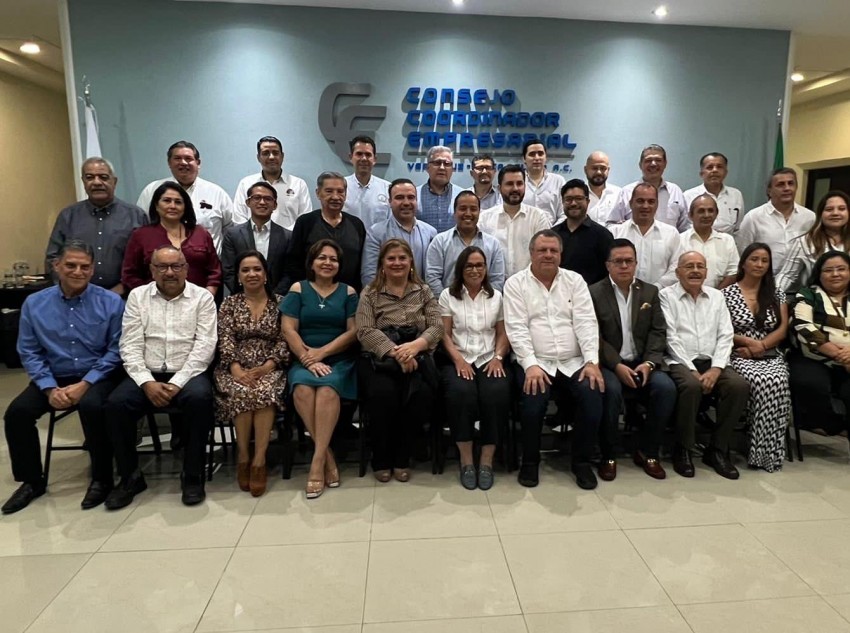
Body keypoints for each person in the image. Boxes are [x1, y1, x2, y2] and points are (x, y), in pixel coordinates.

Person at [2, 241, 124, 514]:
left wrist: (86, 383)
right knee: (17, 413)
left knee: (93, 405)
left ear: (92, 270)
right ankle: (31, 481)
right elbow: (29, 351)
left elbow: (116, 350)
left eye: (84, 267)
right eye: (71, 265)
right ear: (56, 266)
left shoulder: (111, 302)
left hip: (98, 375)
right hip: (54, 376)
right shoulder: (34, 304)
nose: (78, 272)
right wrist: (48, 388)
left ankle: (102, 478)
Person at [105, 245, 217, 509]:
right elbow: (129, 345)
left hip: (189, 371)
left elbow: (205, 346)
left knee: (200, 399)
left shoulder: (202, 298)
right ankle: (130, 477)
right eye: (162, 267)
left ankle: (192, 475)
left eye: (176, 266)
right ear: (152, 270)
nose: (170, 272)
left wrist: (177, 383)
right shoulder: (137, 297)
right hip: (147, 372)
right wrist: (146, 382)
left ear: (186, 269)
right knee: (116, 404)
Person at [503, 230, 605, 490]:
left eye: (553, 251)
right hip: (535, 361)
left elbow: (586, 322)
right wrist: (530, 365)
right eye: (542, 250)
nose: (548, 255)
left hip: (574, 361)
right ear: (531, 253)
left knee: (592, 394)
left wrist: (591, 362)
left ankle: (581, 462)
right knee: (533, 401)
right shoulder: (515, 284)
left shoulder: (575, 281)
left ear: (561, 254)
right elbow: (517, 328)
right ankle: (530, 462)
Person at [356, 239, 443, 482]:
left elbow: (437, 327)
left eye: (402, 258)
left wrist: (414, 347)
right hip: (380, 358)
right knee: (383, 395)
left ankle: (403, 455)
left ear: (410, 262)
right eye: (391, 258)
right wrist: (397, 352)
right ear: (382, 263)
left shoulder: (423, 291)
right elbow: (364, 330)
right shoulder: (370, 293)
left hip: (417, 354)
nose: (397, 263)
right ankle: (381, 457)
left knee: (421, 395)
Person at [660, 251, 750, 479]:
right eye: (689, 266)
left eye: (700, 266)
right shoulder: (666, 296)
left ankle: (718, 449)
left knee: (738, 386)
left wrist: (717, 368)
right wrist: (691, 369)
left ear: (707, 272)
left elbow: (726, 335)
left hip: (712, 361)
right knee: (691, 386)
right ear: (677, 272)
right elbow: (670, 338)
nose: (695, 271)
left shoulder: (717, 297)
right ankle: (683, 448)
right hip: (680, 360)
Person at [591, 239, 675, 480]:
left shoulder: (649, 292)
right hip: (610, 363)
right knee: (610, 390)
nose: (624, 266)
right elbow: (594, 336)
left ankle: (649, 451)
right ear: (608, 265)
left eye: (629, 261)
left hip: (642, 362)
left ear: (636, 263)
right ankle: (608, 455)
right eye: (618, 261)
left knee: (666, 388)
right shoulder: (594, 292)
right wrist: (616, 365)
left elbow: (658, 331)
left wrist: (649, 363)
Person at [281, 239, 359, 498]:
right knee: (302, 389)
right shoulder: (298, 289)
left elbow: (353, 332)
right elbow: (288, 329)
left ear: (339, 265)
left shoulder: (348, 292)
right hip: (303, 358)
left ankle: (316, 464)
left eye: (333, 259)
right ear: (312, 263)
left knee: (327, 390)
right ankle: (326, 457)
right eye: (322, 258)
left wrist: (322, 354)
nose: (328, 263)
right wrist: (307, 359)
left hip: (338, 360)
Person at [215, 250, 289, 497]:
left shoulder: (281, 303)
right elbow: (225, 337)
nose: (252, 274)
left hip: (271, 366)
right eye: (245, 270)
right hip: (234, 366)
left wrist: (269, 365)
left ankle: (259, 460)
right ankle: (243, 455)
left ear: (266, 274)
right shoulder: (229, 304)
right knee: (241, 391)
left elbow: (285, 338)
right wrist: (235, 368)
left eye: (257, 269)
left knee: (264, 391)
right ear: (238, 276)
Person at [439, 246, 511, 491]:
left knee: (496, 393)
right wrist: (458, 360)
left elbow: (503, 333)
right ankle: (467, 460)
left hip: (489, 358)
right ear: (461, 268)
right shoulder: (448, 296)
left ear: (486, 268)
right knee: (461, 393)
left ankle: (486, 461)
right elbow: (444, 334)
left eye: (479, 265)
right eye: (469, 265)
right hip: (458, 358)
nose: (475, 270)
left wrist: (498, 357)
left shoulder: (496, 297)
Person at [722, 243, 791, 471]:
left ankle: (768, 452)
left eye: (764, 260)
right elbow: (722, 330)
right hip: (738, 352)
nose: (759, 264)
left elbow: (782, 329)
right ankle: (754, 446)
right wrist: (748, 344)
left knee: (778, 381)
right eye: (754, 259)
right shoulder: (726, 294)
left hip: (769, 352)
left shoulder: (776, 294)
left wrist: (760, 346)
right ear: (743, 263)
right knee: (759, 382)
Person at [45, 157, 146, 294]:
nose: (97, 182)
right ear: (83, 182)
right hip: (75, 297)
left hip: (124, 297)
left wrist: (122, 289)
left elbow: (145, 261)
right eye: (90, 177)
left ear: (114, 181)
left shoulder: (136, 216)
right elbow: (53, 258)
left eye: (103, 177)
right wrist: (70, 288)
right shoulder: (68, 216)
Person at [789, 250, 850, 440]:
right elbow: (803, 326)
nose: (835, 274)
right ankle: (826, 424)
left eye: (841, 269)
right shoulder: (808, 294)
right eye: (828, 270)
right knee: (812, 383)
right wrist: (838, 354)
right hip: (813, 357)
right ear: (819, 274)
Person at [122, 181, 221, 295]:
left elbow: (215, 271)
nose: (172, 206)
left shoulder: (200, 233)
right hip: (153, 301)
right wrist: (148, 297)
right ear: (156, 205)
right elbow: (129, 274)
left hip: (198, 301)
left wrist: (207, 296)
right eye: (167, 201)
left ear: (185, 206)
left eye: (178, 202)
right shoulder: (141, 236)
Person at [137, 140, 233, 252]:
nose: (183, 162)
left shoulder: (217, 193)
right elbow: (141, 228)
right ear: (169, 163)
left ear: (198, 163)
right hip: (161, 261)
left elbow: (230, 231)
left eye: (188, 158)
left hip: (207, 261)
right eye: (177, 158)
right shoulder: (151, 190)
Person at [285, 172, 366, 292]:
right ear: (318, 193)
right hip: (310, 294)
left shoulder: (356, 224)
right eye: (329, 191)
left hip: (349, 295)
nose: (335, 197)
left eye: (340, 191)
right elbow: (293, 262)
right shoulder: (305, 222)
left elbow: (362, 265)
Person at [425, 191, 506, 297]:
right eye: (463, 209)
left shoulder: (493, 244)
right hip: (447, 304)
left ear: (479, 212)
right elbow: (432, 278)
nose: (468, 213)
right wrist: (447, 302)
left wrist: (484, 302)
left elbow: (497, 280)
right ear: (454, 212)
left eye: (473, 209)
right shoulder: (439, 242)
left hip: (485, 305)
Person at [361, 178, 437, 288]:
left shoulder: (430, 232)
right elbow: (369, 275)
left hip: (421, 296)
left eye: (411, 197)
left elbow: (433, 274)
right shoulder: (376, 233)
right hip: (385, 297)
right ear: (390, 202)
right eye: (399, 197)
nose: (406, 203)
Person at [736, 168, 815, 272]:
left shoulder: (810, 217)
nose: (787, 188)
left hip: (800, 280)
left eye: (791, 183)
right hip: (764, 279)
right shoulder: (753, 217)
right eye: (780, 184)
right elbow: (742, 253)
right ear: (769, 191)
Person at [478, 164, 551, 277]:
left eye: (519, 183)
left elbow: (544, 254)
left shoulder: (538, 217)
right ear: (499, 188)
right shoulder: (484, 219)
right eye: (509, 184)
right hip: (493, 284)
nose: (515, 188)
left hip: (529, 283)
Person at [221, 181, 292, 294]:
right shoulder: (232, 235)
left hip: (278, 300)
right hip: (242, 299)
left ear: (275, 205)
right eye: (257, 198)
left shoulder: (288, 236)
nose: (262, 202)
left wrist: (274, 297)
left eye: (268, 199)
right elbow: (228, 270)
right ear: (248, 202)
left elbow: (289, 273)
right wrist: (247, 296)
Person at [776, 191, 850, 297]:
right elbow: (786, 276)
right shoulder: (804, 242)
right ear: (820, 214)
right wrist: (778, 300)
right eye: (829, 209)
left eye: (841, 209)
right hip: (814, 301)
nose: (835, 213)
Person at [608, 183, 682, 288]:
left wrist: (653, 290)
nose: (645, 206)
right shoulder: (614, 233)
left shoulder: (671, 234)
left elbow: (676, 267)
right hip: (621, 294)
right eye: (640, 201)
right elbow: (608, 267)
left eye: (651, 202)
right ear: (631, 203)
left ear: (657, 204)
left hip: (660, 294)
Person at [232, 136, 311, 230]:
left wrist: (288, 236)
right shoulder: (246, 184)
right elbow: (239, 219)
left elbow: (305, 219)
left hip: (291, 238)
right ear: (258, 157)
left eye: (275, 153)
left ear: (282, 156)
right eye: (266, 153)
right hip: (252, 238)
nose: (271, 157)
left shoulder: (298, 184)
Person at [607, 144, 689, 231]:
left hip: (669, 240)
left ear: (665, 164)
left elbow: (686, 228)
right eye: (648, 160)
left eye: (658, 160)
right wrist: (625, 229)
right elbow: (611, 226)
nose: (653, 164)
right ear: (640, 165)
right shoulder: (627, 192)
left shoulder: (675, 191)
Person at [554, 178, 614, 285]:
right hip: (558, 292)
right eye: (568, 199)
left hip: (592, 293)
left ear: (588, 201)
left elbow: (609, 273)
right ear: (562, 202)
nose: (573, 203)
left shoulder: (603, 235)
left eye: (579, 198)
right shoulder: (554, 235)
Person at [679, 194, 738, 288]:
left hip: (720, 294)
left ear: (716, 214)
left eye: (710, 211)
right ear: (690, 215)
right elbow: (675, 272)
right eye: (701, 211)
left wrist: (715, 294)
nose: (706, 215)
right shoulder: (679, 240)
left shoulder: (727, 241)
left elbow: (733, 272)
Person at [683, 152, 746, 235]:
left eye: (719, 167)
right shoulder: (688, 196)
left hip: (727, 241)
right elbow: (685, 227)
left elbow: (738, 227)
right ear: (701, 173)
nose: (715, 170)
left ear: (726, 172)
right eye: (710, 167)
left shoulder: (736, 195)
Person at [343, 135, 391, 229]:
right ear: (350, 157)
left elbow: (391, 222)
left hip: (378, 238)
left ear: (375, 159)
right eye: (359, 154)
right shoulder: (341, 187)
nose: (364, 158)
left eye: (368, 155)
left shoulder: (387, 188)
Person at [417, 145, 465, 232]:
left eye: (447, 164)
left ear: (452, 169)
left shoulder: (462, 195)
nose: (442, 167)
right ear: (427, 167)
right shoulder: (415, 195)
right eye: (437, 163)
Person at [521, 140, 565, 225]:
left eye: (540, 154)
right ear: (524, 159)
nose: (537, 158)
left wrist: (552, 231)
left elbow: (564, 214)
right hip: (523, 231)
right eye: (532, 154)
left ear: (546, 157)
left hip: (552, 231)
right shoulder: (518, 182)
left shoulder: (558, 181)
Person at [584, 151, 621, 225]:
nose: (599, 172)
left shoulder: (619, 194)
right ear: (585, 170)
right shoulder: (578, 194)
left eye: (603, 168)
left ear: (608, 170)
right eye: (594, 168)